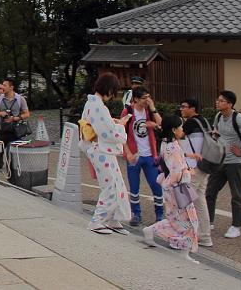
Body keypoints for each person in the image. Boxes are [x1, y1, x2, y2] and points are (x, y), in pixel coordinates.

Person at [142, 114, 200, 264]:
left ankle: (151, 231)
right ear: (174, 130)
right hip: (178, 188)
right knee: (188, 220)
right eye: (180, 127)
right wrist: (188, 172)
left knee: (176, 219)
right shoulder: (173, 146)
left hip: (171, 188)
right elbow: (176, 172)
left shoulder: (166, 144)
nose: (182, 130)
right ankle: (183, 252)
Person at [80, 72, 131, 235]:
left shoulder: (93, 104)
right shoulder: (98, 107)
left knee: (116, 184)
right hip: (100, 149)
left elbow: (103, 126)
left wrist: (114, 123)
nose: (113, 95)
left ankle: (112, 218)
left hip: (100, 149)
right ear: (109, 89)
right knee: (111, 186)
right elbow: (107, 132)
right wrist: (121, 126)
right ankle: (98, 220)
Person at [205, 90, 241, 239]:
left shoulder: (238, 118)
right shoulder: (218, 116)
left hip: (235, 163)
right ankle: (208, 221)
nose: (217, 102)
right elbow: (216, 132)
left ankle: (236, 226)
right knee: (210, 192)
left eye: (221, 101)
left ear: (229, 104)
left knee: (236, 195)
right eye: (218, 100)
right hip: (220, 161)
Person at [121, 87, 164, 226]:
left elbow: (161, 124)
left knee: (156, 184)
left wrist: (153, 108)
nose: (148, 100)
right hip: (134, 155)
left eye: (149, 97)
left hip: (150, 155)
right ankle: (136, 214)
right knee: (134, 186)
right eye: (144, 98)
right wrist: (128, 153)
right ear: (136, 99)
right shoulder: (128, 112)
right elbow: (121, 134)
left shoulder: (148, 111)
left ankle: (159, 214)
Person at [180, 97, 213, 247]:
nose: (181, 109)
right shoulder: (205, 121)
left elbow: (178, 135)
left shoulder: (191, 122)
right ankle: (205, 237)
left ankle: (183, 233)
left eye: (184, 106)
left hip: (195, 167)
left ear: (193, 108)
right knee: (200, 200)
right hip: (206, 165)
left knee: (183, 199)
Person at [0, 77, 30, 165]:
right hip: (1, 130)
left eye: (5, 85)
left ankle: (12, 171)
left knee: (12, 154)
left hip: (15, 131)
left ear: (11, 87)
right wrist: (0, 115)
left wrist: (16, 118)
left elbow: (27, 114)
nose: (2, 87)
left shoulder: (20, 99)